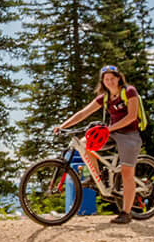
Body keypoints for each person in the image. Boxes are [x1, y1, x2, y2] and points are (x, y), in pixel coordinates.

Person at [53, 65, 143, 225]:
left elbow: (131, 116)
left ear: (118, 78)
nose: (110, 81)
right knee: (84, 143)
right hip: (113, 133)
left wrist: (109, 128)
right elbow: (83, 113)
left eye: (112, 78)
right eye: (106, 79)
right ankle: (98, 176)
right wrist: (63, 126)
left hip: (129, 135)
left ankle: (126, 213)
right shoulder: (105, 97)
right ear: (103, 81)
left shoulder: (129, 91)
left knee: (127, 173)